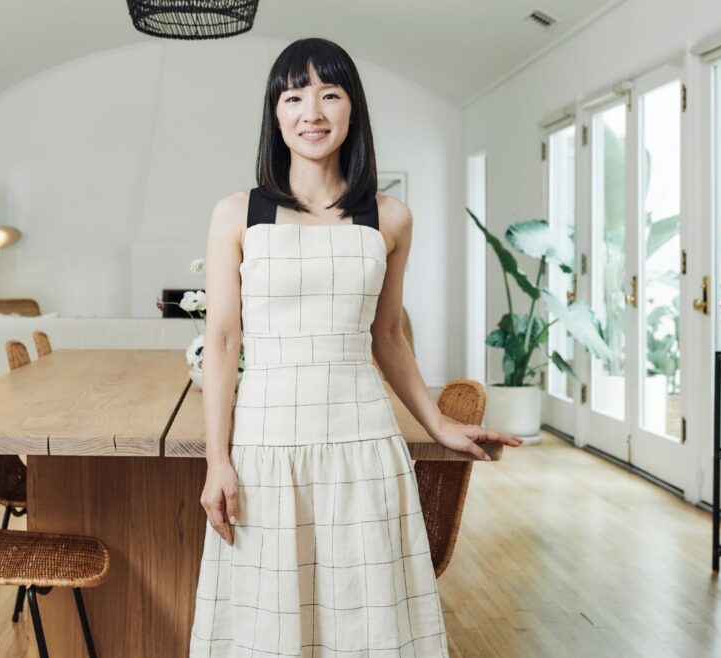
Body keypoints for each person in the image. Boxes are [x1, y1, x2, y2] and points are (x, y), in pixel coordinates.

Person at [189, 37, 523, 657]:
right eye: (294, 96)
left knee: (365, 623)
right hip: (266, 443)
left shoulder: (389, 218)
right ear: (276, 113)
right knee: (268, 620)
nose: (311, 111)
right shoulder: (237, 214)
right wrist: (218, 460)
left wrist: (438, 422)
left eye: (329, 94)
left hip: (362, 442)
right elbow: (223, 337)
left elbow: (388, 335)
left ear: (352, 110)